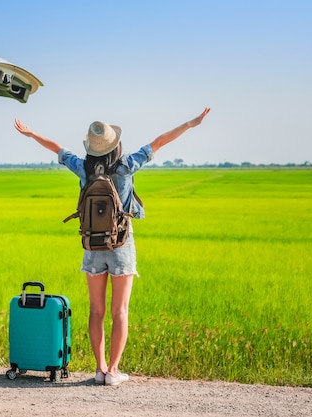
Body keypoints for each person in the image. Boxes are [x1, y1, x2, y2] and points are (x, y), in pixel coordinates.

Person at [13, 107, 210, 385]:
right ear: (115, 143)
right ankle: (113, 372)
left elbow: (57, 148)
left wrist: (32, 133)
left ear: (92, 147)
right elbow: (160, 141)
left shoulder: (83, 166)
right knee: (120, 311)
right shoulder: (127, 164)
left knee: (96, 311)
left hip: (92, 245)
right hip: (121, 243)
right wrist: (191, 123)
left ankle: (99, 368)